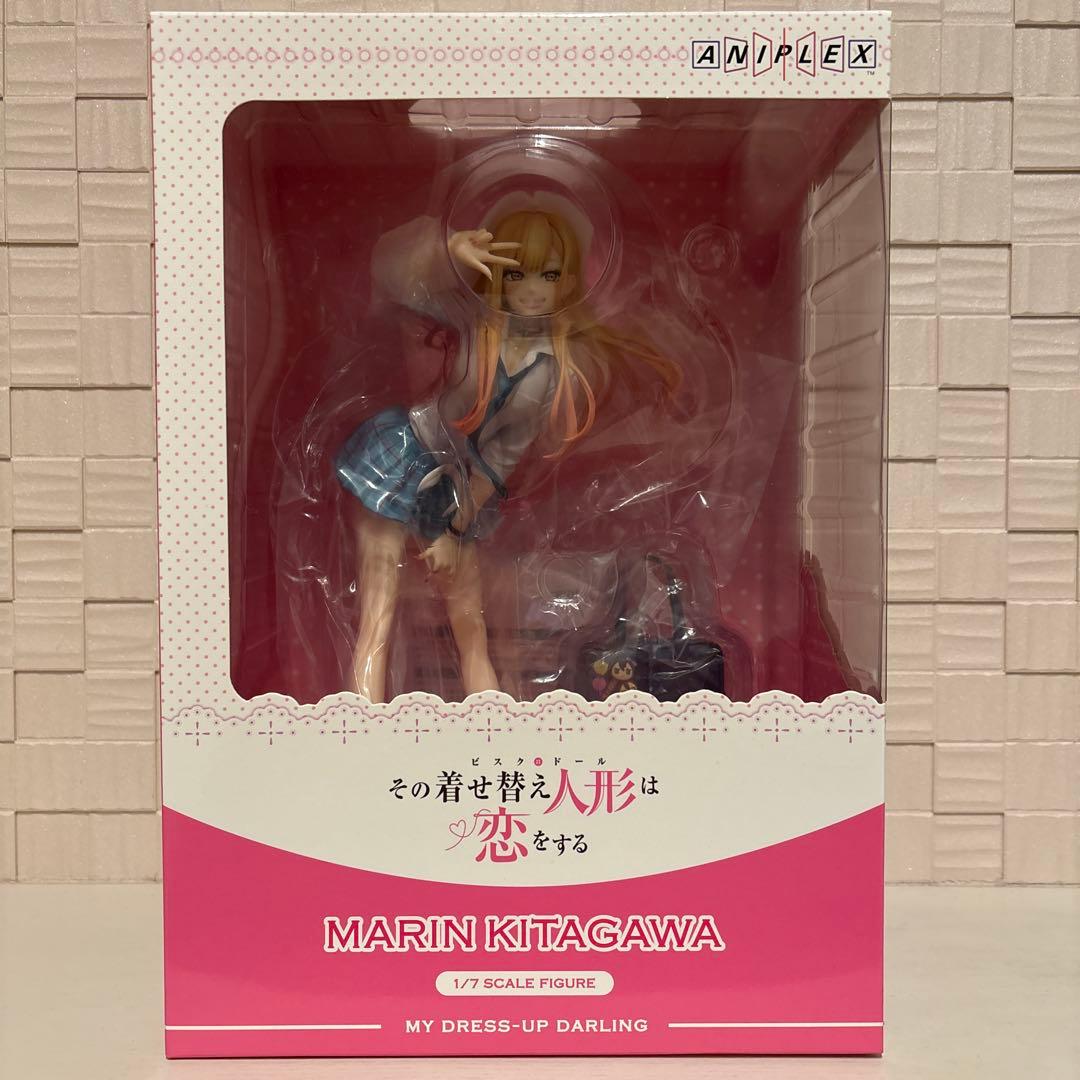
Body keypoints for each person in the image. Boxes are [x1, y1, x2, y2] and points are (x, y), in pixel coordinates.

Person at [335, 203, 680, 702]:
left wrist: (453, 530)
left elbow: (500, 458)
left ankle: (492, 723)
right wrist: (446, 252)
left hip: (460, 485)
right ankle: (358, 724)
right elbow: (396, 280)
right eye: (517, 273)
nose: (532, 289)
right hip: (404, 453)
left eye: (549, 274)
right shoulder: (476, 321)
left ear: (567, 281)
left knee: (470, 624)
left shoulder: (550, 370)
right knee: (378, 613)